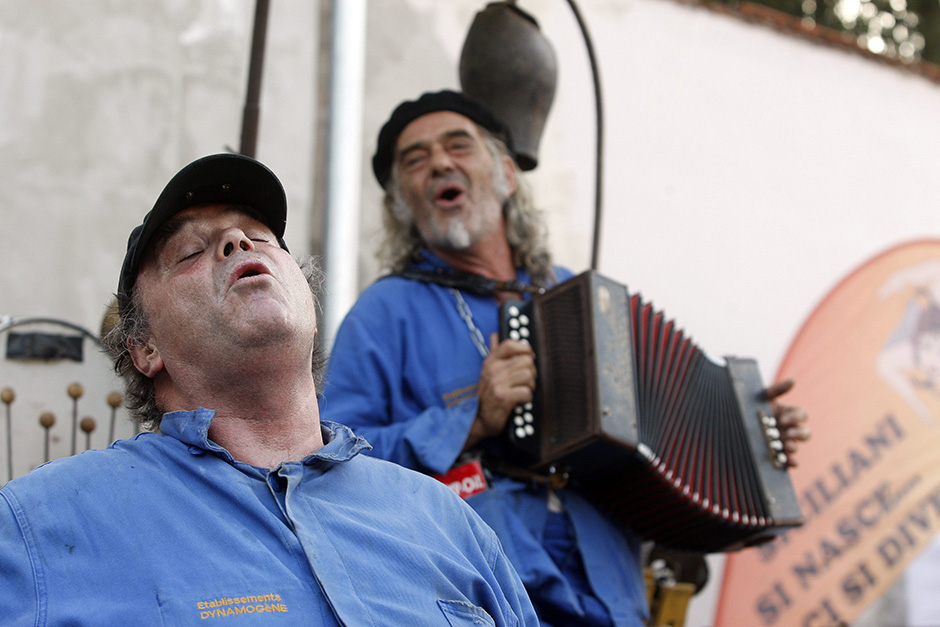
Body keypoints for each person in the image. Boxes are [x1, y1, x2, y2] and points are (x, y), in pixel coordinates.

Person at [319, 90, 811, 626]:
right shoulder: (383, 312)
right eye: (414, 160)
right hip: (478, 593)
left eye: (458, 146)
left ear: (507, 174)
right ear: (401, 203)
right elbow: (333, 467)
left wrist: (749, 441)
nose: (439, 162)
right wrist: (471, 421)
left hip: (613, 592)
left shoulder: (578, 297)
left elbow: (662, 423)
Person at [0, 153, 539, 626]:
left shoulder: (448, 525)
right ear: (143, 347)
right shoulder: (35, 527)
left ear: (308, 296)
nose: (237, 241)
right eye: (189, 252)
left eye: (259, 238)